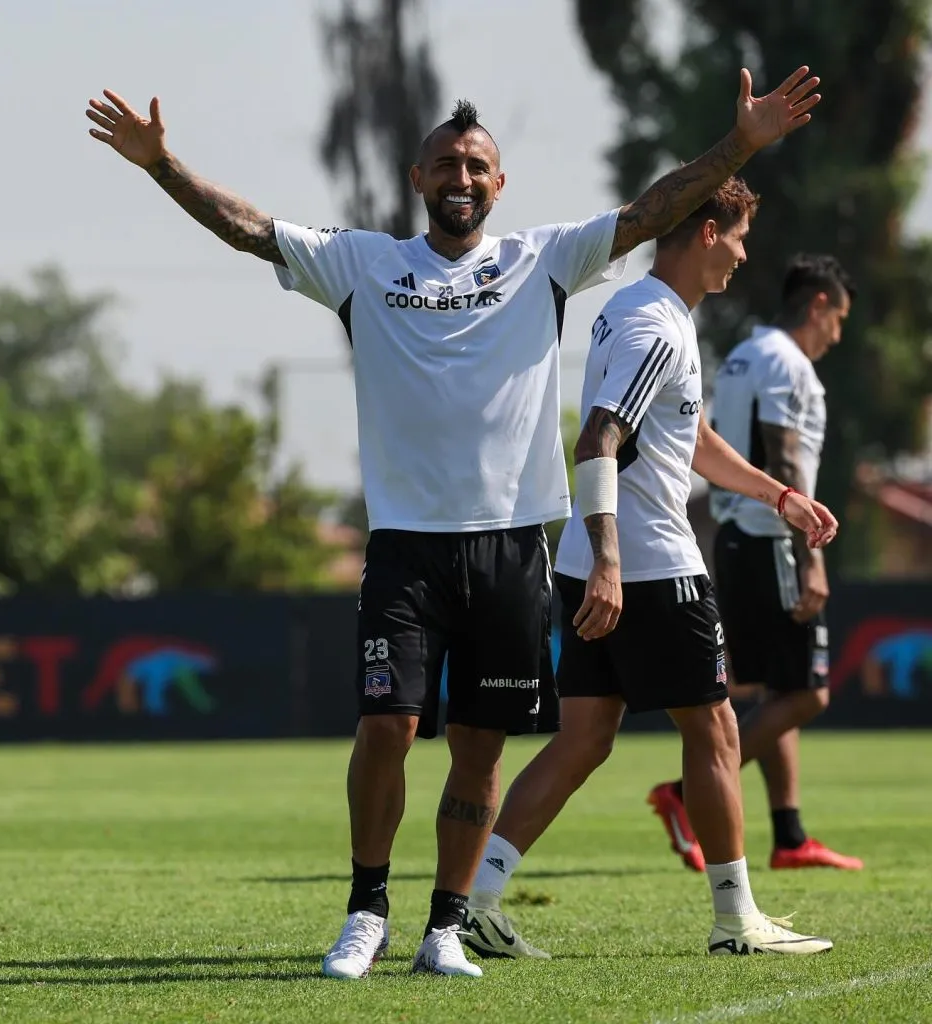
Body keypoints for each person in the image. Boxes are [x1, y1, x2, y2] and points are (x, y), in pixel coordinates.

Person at [85, 65, 821, 978]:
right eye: (444, 165)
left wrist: (741, 145)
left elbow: (649, 211)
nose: (460, 178)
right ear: (417, 179)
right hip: (405, 547)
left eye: (476, 166)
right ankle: (366, 911)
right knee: (385, 728)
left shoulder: (543, 260)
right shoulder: (363, 263)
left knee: (481, 745)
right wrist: (164, 166)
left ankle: (446, 924)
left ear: (499, 183)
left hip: (512, 549)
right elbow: (250, 228)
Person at [463, 176, 840, 961]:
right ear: (705, 233)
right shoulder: (655, 327)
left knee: (583, 740)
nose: (743, 255)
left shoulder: (640, 311)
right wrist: (611, 561)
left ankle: (479, 900)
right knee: (717, 729)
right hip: (646, 564)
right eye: (738, 238)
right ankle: (736, 920)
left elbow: (687, 434)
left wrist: (779, 496)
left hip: (597, 561)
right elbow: (599, 438)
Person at [648, 254, 863, 873]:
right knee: (809, 695)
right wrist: (810, 557)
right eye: (838, 319)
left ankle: (790, 835)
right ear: (818, 305)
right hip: (773, 540)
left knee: (780, 690)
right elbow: (784, 455)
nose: (836, 335)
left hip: (739, 538)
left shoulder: (745, 354)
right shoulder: (786, 362)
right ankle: (684, 793)